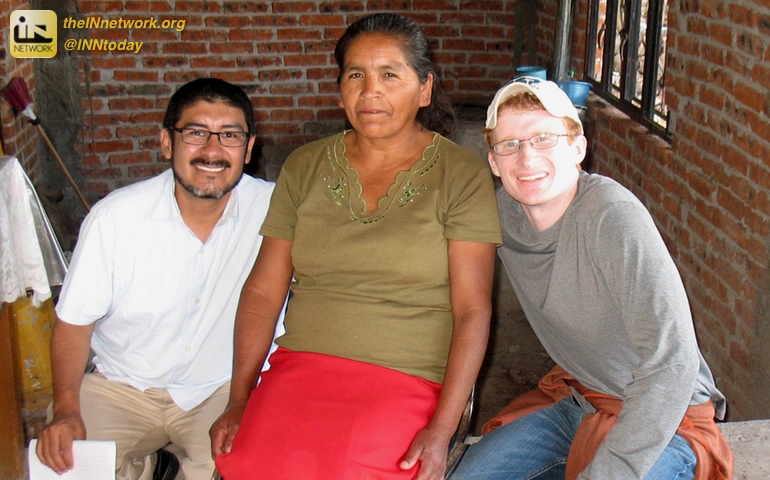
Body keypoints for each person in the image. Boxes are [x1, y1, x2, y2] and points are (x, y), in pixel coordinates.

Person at [209, 12, 502, 480]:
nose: (371, 92)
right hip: (302, 367)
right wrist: (239, 398)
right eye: (356, 75)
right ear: (339, 88)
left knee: (356, 470)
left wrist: (443, 428)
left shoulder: (460, 175)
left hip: (406, 375)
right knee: (248, 464)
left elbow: (473, 310)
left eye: (390, 74)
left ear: (424, 89)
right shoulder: (305, 166)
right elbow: (263, 293)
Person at [451, 77, 734, 479]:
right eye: (509, 144)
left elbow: (672, 360)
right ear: (494, 162)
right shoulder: (499, 217)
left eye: (544, 138)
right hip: (581, 401)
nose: (527, 159)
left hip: (664, 420)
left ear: (578, 148)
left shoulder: (611, 216)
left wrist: (609, 470)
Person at [35, 77, 283, 480]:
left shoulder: (275, 211)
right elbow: (73, 324)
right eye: (196, 132)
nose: (213, 150)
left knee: (243, 467)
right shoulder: (116, 218)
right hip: (123, 385)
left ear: (249, 148)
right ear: (167, 142)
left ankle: (163, 465)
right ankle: (149, 464)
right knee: (66, 466)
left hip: (221, 388)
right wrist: (65, 409)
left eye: (230, 135)